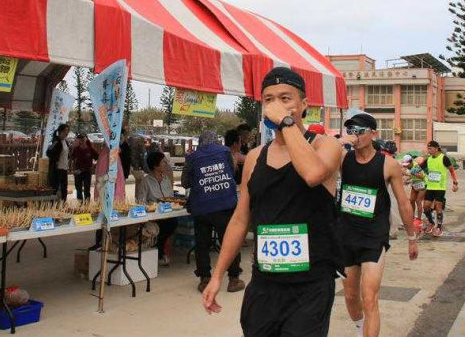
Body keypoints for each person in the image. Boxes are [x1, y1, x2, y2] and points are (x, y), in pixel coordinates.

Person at [202, 67, 344, 336]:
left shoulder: (326, 146)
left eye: (285, 98)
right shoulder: (255, 156)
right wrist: (218, 274)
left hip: (311, 284)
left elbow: (312, 174)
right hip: (264, 283)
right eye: (268, 99)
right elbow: (240, 219)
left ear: (304, 105)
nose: (276, 105)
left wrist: (287, 123)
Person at [338, 113, 419, 337]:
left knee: (369, 295)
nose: (355, 136)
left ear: (373, 133)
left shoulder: (388, 164)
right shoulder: (342, 159)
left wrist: (412, 238)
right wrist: (338, 145)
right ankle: (360, 327)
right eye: (351, 131)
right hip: (346, 235)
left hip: (374, 236)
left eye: (360, 131)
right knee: (351, 296)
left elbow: (403, 204)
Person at [182, 130, 245, 294]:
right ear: (216, 141)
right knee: (230, 241)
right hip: (224, 205)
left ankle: (204, 279)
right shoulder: (225, 152)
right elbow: (232, 172)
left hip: (201, 207)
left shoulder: (192, 158)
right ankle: (233, 279)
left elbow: (185, 183)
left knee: (202, 243)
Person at [136, 150, 177, 266]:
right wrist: (152, 206)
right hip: (153, 216)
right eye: (164, 162)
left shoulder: (166, 180)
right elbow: (141, 201)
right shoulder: (146, 181)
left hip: (168, 214)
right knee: (160, 226)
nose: (166, 164)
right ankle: (158, 251)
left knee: (173, 223)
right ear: (155, 165)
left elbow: (171, 198)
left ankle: (158, 248)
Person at [421, 141, 459, 237]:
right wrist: (412, 171)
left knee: (438, 207)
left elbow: (452, 170)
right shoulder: (428, 159)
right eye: (428, 149)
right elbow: (418, 167)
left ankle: (439, 227)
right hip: (430, 187)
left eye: (430, 149)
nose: (429, 151)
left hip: (440, 187)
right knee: (426, 207)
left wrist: (455, 183)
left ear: (436, 148)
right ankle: (431, 222)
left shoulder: (444, 158)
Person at [45, 124, 71, 201]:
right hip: (57, 169)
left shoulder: (66, 142)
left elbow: (67, 154)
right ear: (60, 132)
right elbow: (48, 152)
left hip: (64, 168)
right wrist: (55, 160)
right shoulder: (56, 141)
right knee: (55, 187)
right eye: (65, 131)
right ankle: (52, 204)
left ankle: (63, 203)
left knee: (64, 187)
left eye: (67, 131)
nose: (66, 133)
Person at [71, 134, 97, 201]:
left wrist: (93, 166)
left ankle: (87, 205)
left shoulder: (90, 149)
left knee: (87, 188)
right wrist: (74, 170)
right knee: (78, 188)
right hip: (78, 171)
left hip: (87, 171)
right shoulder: (76, 149)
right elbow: (71, 158)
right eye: (80, 138)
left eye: (83, 138)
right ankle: (80, 204)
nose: (82, 139)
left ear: (86, 139)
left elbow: (98, 157)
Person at [408, 152, 428, 234]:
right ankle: (412, 217)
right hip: (415, 184)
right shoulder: (410, 167)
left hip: (423, 184)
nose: (406, 166)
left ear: (411, 162)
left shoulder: (416, 167)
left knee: (418, 201)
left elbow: (422, 176)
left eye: (407, 165)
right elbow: (411, 176)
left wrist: (413, 173)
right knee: (411, 200)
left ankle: (419, 219)